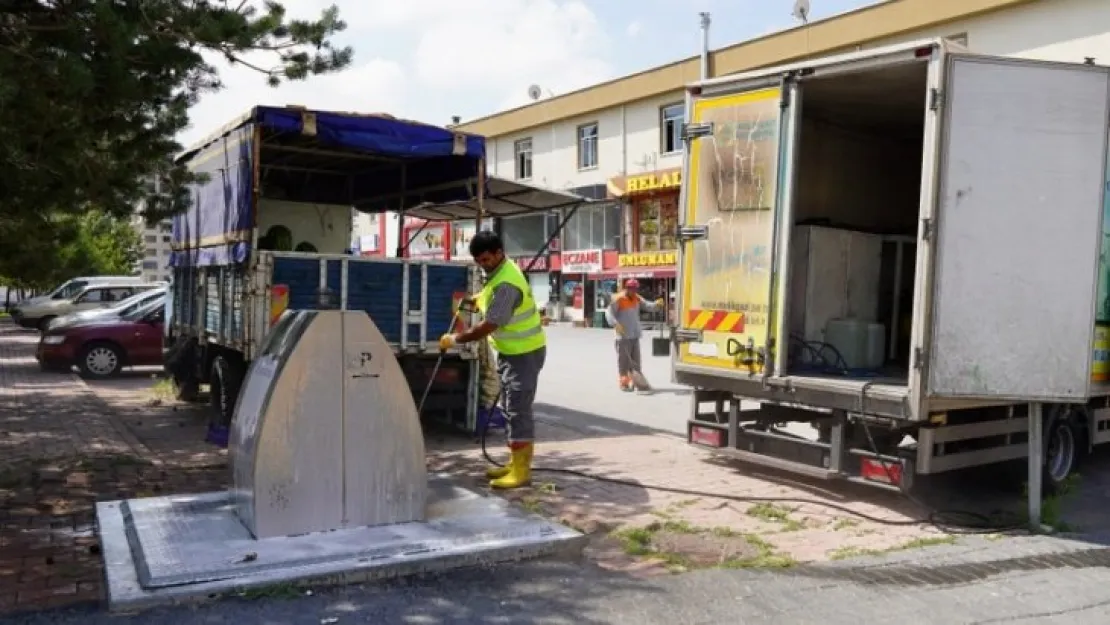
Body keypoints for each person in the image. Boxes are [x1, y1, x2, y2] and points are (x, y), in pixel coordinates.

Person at [439, 231, 546, 489]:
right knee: (511, 408)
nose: (483, 264)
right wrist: (479, 300)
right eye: (479, 261)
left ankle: (521, 471)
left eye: (486, 259)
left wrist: (457, 339)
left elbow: (490, 325)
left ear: (499, 252)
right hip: (513, 352)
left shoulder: (506, 284)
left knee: (518, 410)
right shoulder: (500, 271)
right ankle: (515, 462)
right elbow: (493, 298)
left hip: (523, 354)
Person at [606, 279, 665, 391]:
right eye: (631, 288)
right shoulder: (619, 299)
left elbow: (647, 305)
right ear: (627, 288)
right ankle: (624, 383)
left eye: (635, 288)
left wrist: (657, 305)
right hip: (622, 335)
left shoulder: (637, 298)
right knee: (623, 361)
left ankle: (637, 382)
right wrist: (615, 324)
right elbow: (609, 313)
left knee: (636, 361)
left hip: (634, 334)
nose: (634, 290)